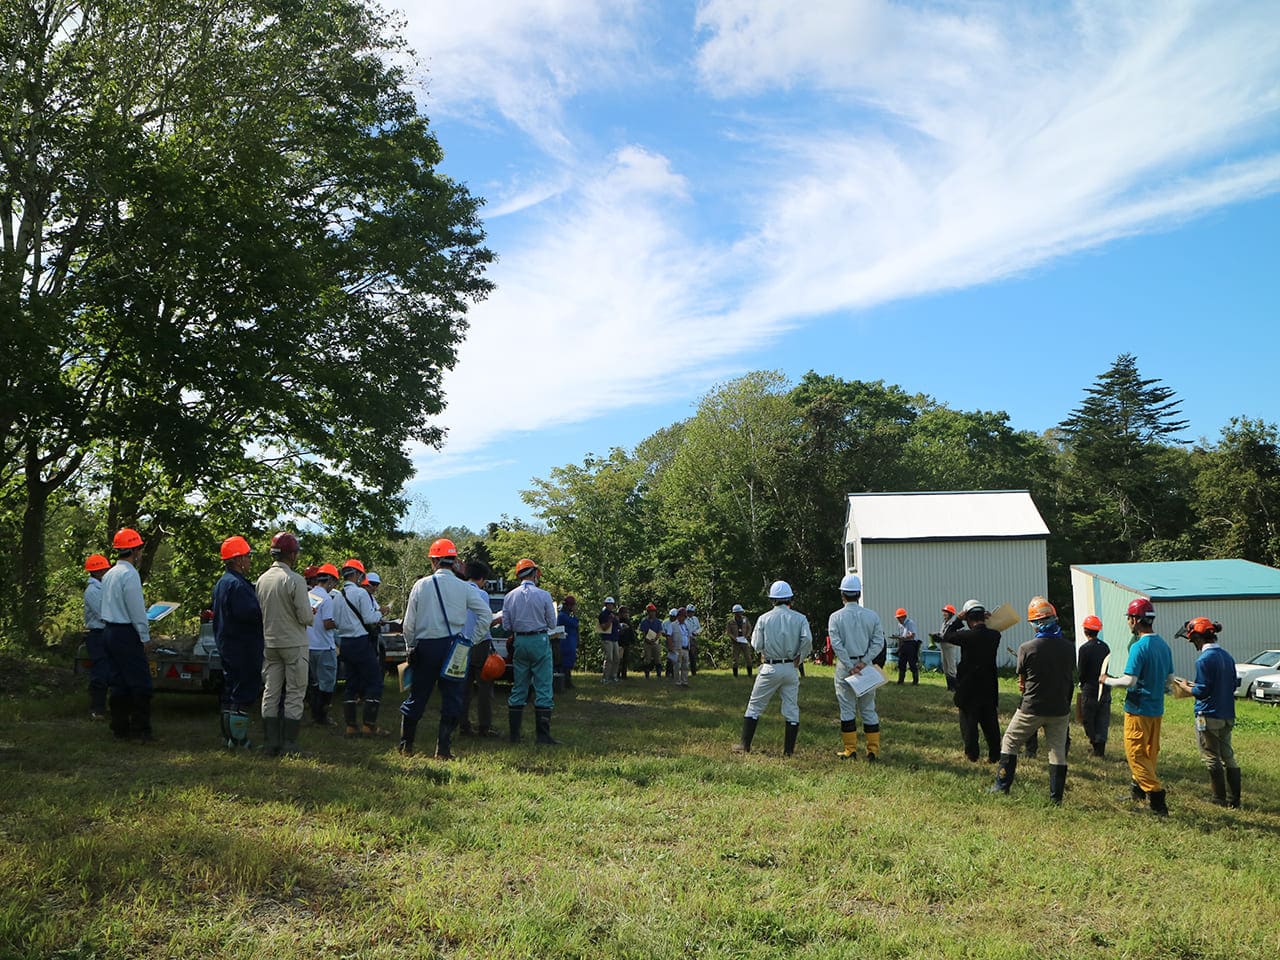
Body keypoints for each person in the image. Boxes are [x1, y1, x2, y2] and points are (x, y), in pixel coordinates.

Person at [398, 539, 491, 758]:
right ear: (454, 561)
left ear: (434, 561)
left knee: (418, 696)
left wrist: (410, 646)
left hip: (427, 646)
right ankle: (443, 750)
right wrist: (470, 640)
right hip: (455, 648)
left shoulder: (421, 585)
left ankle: (406, 746)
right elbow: (485, 615)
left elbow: (408, 624)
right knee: (453, 698)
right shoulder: (464, 587)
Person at [990, 597, 1075, 803]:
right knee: (1057, 751)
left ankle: (1002, 786)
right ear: (1053, 618)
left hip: (1032, 707)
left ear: (1035, 623)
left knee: (1010, 741)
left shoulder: (1027, 648)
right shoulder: (1069, 646)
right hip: (1060, 708)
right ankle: (1056, 798)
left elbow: (1023, 679)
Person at [1101, 597, 1175, 816]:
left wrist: (1107, 680)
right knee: (1149, 752)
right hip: (1156, 710)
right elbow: (1170, 679)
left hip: (1137, 709)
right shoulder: (1163, 644)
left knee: (1135, 753)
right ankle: (1138, 791)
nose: (1128, 622)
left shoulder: (1139, 647)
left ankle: (1157, 798)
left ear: (1135, 620)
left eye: (1129, 619)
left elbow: (1129, 681)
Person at [734, 581, 812, 755]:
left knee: (754, 705)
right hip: (791, 667)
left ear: (773, 600)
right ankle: (788, 751)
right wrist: (800, 657)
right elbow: (807, 640)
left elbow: (756, 643)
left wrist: (763, 651)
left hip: (770, 666)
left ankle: (744, 745)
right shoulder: (800, 618)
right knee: (791, 708)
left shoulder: (764, 618)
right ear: (789, 598)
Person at [255, 532, 314, 757]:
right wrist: (312, 614)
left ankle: (270, 743)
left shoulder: (262, 579)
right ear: (291, 554)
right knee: (295, 692)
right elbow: (305, 617)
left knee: (270, 692)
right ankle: (289, 744)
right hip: (294, 642)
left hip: (270, 642)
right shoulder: (295, 579)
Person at [1174, 618, 1241, 808]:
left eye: (1192, 639)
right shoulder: (1227, 656)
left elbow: (1202, 691)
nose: (1192, 644)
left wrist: (1186, 687)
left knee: (1211, 756)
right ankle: (1234, 799)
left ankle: (1219, 798)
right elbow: (1231, 684)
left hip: (1208, 715)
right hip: (1227, 713)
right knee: (1228, 755)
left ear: (1197, 637)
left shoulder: (1203, 660)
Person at [100, 527, 154, 742]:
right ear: (135, 551)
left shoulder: (110, 573)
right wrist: (144, 636)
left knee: (118, 682)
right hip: (126, 632)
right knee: (140, 683)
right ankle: (140, 730)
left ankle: (119, 727)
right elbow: (136, 610)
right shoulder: (130, 575)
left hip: (109, 631)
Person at [212, 536, 264, 749]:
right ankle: (240, 739)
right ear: (238, 559)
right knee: (243, 692)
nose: (250, 561)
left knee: (230, 691)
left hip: (228, 643)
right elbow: (250, 615)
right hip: (243, 645)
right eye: (247, 557)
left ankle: (229, 738)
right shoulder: (238, 585)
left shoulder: (223, 582)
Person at [827, 574, 886, 761]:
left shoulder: (835, 617)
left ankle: (850, 749)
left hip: (846, 667)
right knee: (869, 708)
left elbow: (836, 644)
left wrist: (851, 665)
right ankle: (872, 750)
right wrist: (864, 661)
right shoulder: (872, 616)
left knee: (847, 709)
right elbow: (878, 642)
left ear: (842, 595)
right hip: (866, 666)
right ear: (859, 594)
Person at [502, 558, 560, 744]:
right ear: (535, 574)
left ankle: (514, 736)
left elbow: (506, 625)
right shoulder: (544, 595)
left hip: (520, 641)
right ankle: (543, 736)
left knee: (519, 686)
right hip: (539, 640)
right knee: (543, 686)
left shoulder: (509, 596)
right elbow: (552, 624)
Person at [332, 557, 384, 737]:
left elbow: (336, 622)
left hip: (345, 643)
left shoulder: (338, 596)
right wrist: (380, 613)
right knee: (375, 681)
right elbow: (370, 619)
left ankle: (351, 726)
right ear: (356, 574)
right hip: (361, 641)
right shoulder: (361, 594)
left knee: (351, 684)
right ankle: (369, 726)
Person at [948, 599, 1002, 763]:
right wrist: (989, 619)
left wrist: (958, 620)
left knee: (969, 722)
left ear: (968, 618)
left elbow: (947, 635)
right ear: (983, 616)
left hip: (968, 685)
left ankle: (972, 754)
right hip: (989, 684)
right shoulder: (995, 635)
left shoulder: (965, 635)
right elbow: (990, 630)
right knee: (990, 722)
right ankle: (994, 754)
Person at [458, 559, 500, 738]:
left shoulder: (457, 591)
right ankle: (484, 726)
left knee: (463, 687)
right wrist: (496, 620)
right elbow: (484, 620)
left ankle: (463, 725)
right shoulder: (481, 595)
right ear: (482, 578)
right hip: (480, 643)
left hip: (461, 643)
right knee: (484, 687)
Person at [306, 563, 341, 726]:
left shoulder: (308, 595)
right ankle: (322, 717)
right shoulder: (327, 599)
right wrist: (340, 623)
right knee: (327, 683)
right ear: (331, 581)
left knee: (314, 682)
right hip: (324, 647)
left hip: (309, 646)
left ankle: (314, 714)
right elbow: (328, 623)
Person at [1077, 614, 1111, 757]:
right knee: (1102, 719)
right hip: (1104, 687)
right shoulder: (1105, 647)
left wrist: (1081, 682)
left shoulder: (1084, 649)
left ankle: (1095, 744)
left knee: (1088, 718)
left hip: (1089, 689)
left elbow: (1081, 671)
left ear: (1085, 631)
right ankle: (1100, 748)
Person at [82, 554, 111, 720]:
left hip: (106, 633)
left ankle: (104, 707)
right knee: (100, 671)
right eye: (104, 569)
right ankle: (97, 708)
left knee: (109, 671)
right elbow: (103, 614)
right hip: (98, 635)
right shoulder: (92, 591)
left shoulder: (103, 587)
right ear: (97, 571)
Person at [933, 604, 962, 691]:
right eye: (944, 612)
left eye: (946, 612)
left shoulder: (952, 623)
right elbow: (943, 633)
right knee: (945, 667)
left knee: (951, 667)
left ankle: (955, 687)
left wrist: (941, 636)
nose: (944, 614)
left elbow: (948, 635)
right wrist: (938, 634)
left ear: (950, 613)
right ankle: (949, 686)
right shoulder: (944, 622)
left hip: (949, 645)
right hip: (943, 645)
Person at [892, 607, 920, 685]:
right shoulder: (900, 624)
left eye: (899, 618)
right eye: (897, 618)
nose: (898, 620)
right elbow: (902, 635)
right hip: (903, 644)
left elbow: (912, 635)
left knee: (912, 663)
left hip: (911, 644)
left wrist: (902, 637)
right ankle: (900, 681)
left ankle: (915, 681)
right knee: (901, 663)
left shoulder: (910, 623)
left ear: (904, 616)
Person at [557, 596, 580, 689]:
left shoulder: (567, 615)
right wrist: (575, 615)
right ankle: (565, 682)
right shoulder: (562, 615)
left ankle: (567, 680)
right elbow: (574, 623)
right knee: (565, 662)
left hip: (571, 641)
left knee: (570, 661)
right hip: (566, 642)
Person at [665, 607, 692, 687]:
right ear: (678, 616)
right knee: (677, 666)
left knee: (685, 666)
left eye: (684, 616)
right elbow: (669, 636)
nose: (683, 618)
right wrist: (671, 647)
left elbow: (689, 635)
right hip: (677, 648)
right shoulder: (672, 625)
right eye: (682, 616)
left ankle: (684, 681)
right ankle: (677, 682)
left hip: (686, 648)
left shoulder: (687, 625)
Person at [727, 603, 754, 678]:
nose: (741, 613)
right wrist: (734, 638)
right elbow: (729, 632)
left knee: (748, 658)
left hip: (744, 641)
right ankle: (735, 676)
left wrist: (747, 635)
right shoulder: (730, 622)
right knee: (735, 659)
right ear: (735, 613)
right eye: (739, 612)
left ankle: (750, 674)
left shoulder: (745, 619)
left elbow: (749, 628)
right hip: (735, 642)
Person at [638, 603, 664, 678]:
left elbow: (660, 632)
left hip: (656, 642)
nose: (653, 613)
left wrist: (655, 639)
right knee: (647, 659)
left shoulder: (658, 622)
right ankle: (647, 675)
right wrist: (648, 640)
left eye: (654, 611)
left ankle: (659, 675)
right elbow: (643, 633)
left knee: (658, 659)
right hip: (647, 643)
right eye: (651, 611)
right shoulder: (644, 621)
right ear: (648, 612)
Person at [598, 597, 620, 684]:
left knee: (617, 658)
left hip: (615, 638)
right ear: (606, 605)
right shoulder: (603, 615)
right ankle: (605, 677)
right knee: (609, 658)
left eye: (611, 605)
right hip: (607, 639)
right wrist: (610, 620)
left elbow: (617, 626)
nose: (610, 606)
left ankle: (613, 676)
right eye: (609, 604)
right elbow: (603, 628)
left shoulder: (614, 614)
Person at [616, 605, 635, 679]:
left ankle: (624, 675)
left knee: (625, 660)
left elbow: (631, 632)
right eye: (624, 613)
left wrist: (632, 641)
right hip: (619, 643)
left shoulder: (628, 622)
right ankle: (617, 674)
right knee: (618, 660)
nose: (625, 614)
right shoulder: (617, 621)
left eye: (626, 613)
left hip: (626, 643)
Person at [686, 604, 702, 675]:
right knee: (685, 656)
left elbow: (699, 628)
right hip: (686, 639)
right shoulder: (684, 619)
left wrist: (697, 632)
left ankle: (694, 672)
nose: (691, 613)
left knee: (693, 656)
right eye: (690, 612)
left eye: (692, 612)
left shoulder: (695, 619)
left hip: (694, 639)